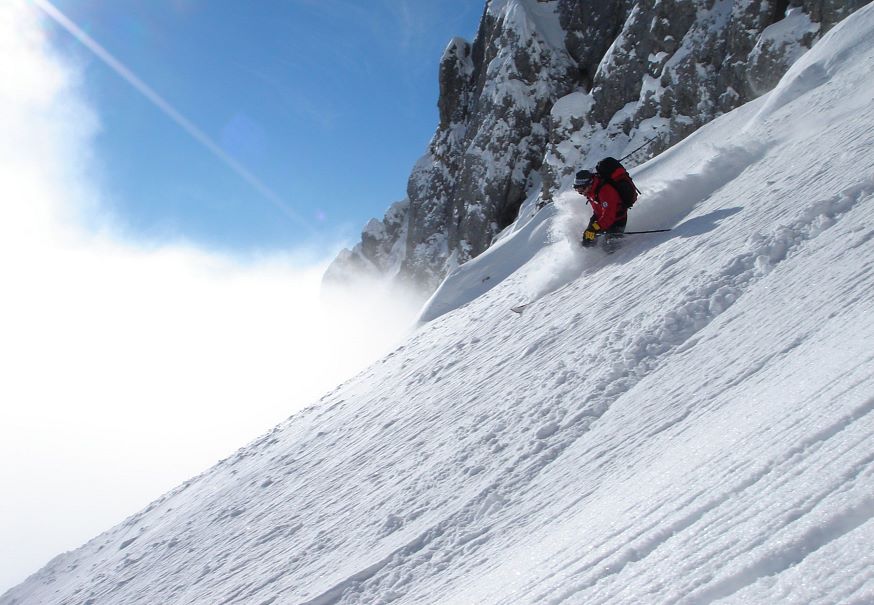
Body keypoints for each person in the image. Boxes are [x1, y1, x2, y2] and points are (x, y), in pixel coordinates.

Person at [573, 167, 628, 251]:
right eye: (577, 189)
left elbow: (609, 217)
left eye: (581, 189)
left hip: (617, 219)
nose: (580, 192)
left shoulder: (605, 191)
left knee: (609, 248)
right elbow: (599, 211)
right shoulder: (590, 190)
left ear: (589, 183)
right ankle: (588, 258)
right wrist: (592, 228)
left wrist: (595, 228)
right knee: (587, 240)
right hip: (600, 218)